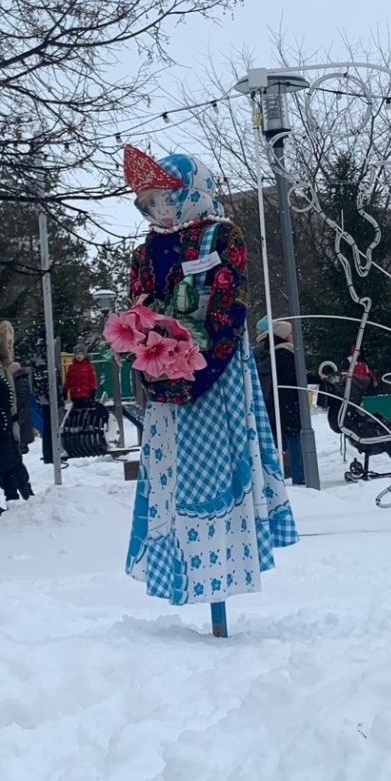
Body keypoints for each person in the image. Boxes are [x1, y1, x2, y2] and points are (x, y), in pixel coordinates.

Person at [117, 148, 296, 611]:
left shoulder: (222, 234)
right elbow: (139, 306)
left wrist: (196, 362)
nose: (157, 209)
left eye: (164, 197)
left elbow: (228, 306)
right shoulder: (145, 251)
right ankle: (183, 564)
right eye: (147, 202)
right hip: (164, 380)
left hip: (216, 376)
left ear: (192, 192)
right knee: (174, 475)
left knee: (220, 465)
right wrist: (150, 354)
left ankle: (224, 562)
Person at [256, 319, 308, 485]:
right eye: (290, 333)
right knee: (293, 438)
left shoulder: (272, 353)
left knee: (282, 439)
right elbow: (295, 377)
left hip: (278, 402)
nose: (293, 336)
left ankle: (287, 471)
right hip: (287, 402)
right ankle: (298, 474)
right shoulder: (283, 354)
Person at [0, 323, 33, 502]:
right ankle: (19, 493)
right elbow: (13, 398)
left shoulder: (8, 368)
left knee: (11, 461)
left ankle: (17, 493)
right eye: (7, 344)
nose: (10, 348)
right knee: (11, 461)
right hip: (6, 422)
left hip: (11, 422)